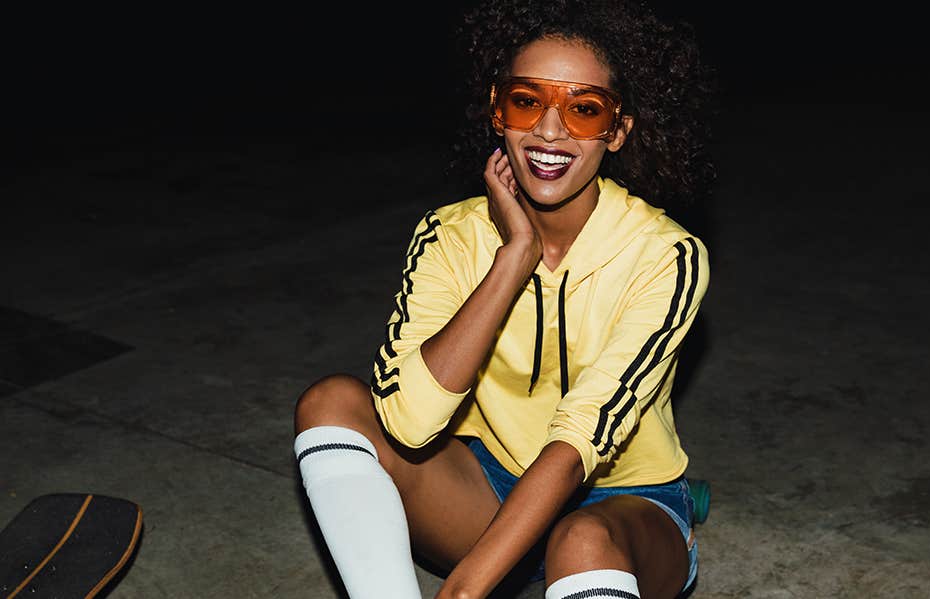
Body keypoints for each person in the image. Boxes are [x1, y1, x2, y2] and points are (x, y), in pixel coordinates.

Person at [292, 1, 714, 597]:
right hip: (487, 488)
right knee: (331, 403)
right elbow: (410, 426)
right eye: (527, 101)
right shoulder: (450, 235)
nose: (549, 130)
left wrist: (463, 592)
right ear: (497, 110)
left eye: (584, 110)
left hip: (620, 499)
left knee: (581, 540)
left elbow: (576, 445)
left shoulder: (666, 255)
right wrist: (512, 258)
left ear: (618, 131)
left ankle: (670, 527)